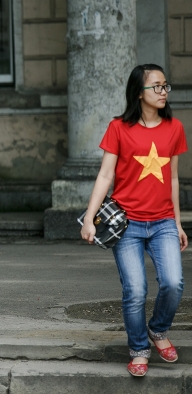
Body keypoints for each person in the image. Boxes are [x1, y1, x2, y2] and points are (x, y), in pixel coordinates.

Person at [81, 64, 187, 377]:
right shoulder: (118, 128)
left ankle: (158, 329)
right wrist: (89, 218)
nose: (163, 91)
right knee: (135, 291)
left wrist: (178, 223)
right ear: (138, 93)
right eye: (156, 86)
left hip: (163, 221)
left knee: (173, 283)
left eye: (165, 85)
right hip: (127, 224)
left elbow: (175, 179)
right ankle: (139, 348)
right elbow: (105, 175)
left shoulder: (174, 128)